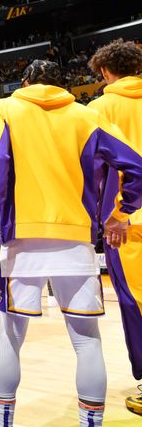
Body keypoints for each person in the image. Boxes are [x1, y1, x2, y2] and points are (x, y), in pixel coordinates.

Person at [0, 59, 142, 427]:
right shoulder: (87, 116)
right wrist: (121, 213)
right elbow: (138, 166)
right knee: (87, 342)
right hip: (76, 241)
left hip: (22, 243)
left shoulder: (2, 109)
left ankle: (4, 422)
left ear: (25, 80)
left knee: (10, 338)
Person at [86, 39, 142, 416]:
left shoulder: (101, 107)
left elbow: (93, 170)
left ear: (106, 71)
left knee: (135, 300)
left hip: (128, 220)